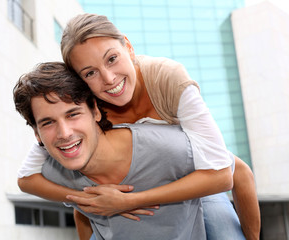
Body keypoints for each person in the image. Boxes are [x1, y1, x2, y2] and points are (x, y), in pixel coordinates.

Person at [17, 13, 260, 239]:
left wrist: (130, 201)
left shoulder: (168, 80)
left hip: (192, 181)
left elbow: (229, 172)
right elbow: (27, 177)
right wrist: (87, 199)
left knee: (222, 226)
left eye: (112, 59)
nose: (109, 79)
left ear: (128, 47)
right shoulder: (86, 111)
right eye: (90, 73)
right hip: (127, 192)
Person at [13, 61, 235, 239]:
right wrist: (86, 200)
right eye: (47, 123)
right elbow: (25, 181)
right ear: (37, 134)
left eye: (73, 114)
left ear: (95, 112)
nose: (64, 133)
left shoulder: (168, 147)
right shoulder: (54, 169)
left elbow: (234, 172)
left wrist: (132, 200)